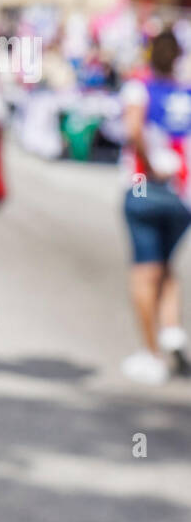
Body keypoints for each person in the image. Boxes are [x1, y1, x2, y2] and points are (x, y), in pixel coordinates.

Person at [118, 29, 191, 384]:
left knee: (145, 272)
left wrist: (148, 163)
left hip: (146, 186)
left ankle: (152, 354)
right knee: (165, 266)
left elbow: (134, 130)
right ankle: (172, 330)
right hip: (182, 194)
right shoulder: (185, 91)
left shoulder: (139, 87)